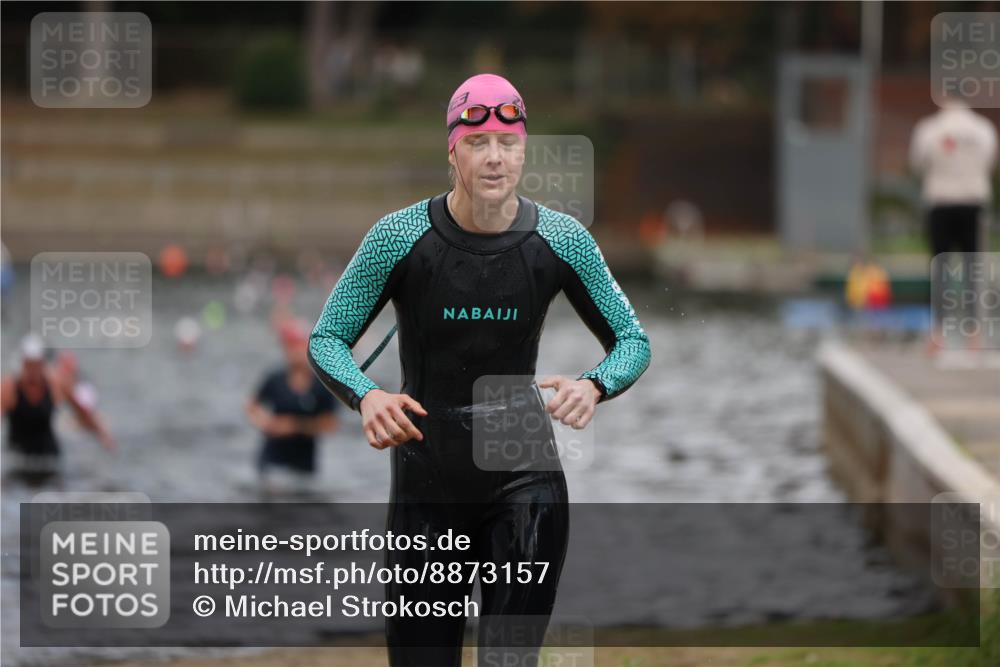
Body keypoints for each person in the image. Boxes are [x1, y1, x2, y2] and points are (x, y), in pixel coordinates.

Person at [308, 73, 651, 666]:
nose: (495, 158)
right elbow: (327, 339)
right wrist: (367, 395)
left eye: (509, 143)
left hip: (524, 479)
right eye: (478, 143)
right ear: (453, 149)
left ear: (524, 148)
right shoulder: (398, 237)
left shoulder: (562, 239)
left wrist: (594, 385)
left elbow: (633, 341)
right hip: (426, 482)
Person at [910, 97, 997, 349]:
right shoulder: (983, 129)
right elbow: (989, 163)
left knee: (940, 268)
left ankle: (937, 333)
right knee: (973, 270)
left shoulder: (929, 129)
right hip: (973, 203)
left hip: (941, 202)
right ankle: (974, 334)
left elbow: (917, 163)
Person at [1, 334, 115, 483]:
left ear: (43, 364)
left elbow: (81, 412)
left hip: (50, 458)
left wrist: (102, 435)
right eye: (28, 365)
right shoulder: (9, 387)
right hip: (18, 458)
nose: (32, 371)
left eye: (36, 365)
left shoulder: (55, 383)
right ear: (22, 363)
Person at [247, 318, 339, 496]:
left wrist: (295, 426)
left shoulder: (321, 385)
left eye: (298, 345)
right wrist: (266, 423)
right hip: (271, 462)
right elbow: (251, 406)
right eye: (290, 346)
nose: (294, 351)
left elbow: (331, 424)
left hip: (305, 467)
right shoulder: (275, 378)